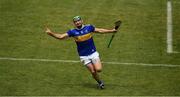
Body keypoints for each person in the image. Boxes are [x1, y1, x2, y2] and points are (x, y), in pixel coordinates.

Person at [45, 16, 117, 89]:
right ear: (74, 23)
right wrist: (51, 33)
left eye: (78, 21)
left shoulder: (89, 27)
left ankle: (97, 64)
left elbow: (100, 30)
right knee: (93, 71)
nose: (77, 22)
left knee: (98, 69)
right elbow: (61, 37)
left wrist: (111, 31)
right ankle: (100, 83)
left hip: (93, 53)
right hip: (83, 56)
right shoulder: (72, 32)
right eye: (76, 22)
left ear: (82, 21)